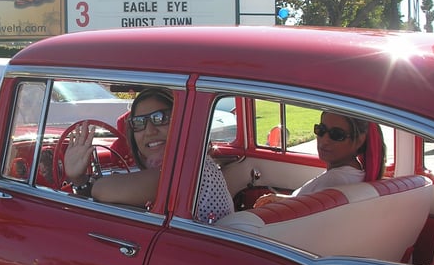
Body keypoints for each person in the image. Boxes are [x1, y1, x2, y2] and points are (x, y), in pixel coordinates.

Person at [63, 88, 234, 221]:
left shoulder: (187, 171)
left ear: (183, 121)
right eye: (139, 123)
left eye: (160, 118)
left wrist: (83, 180)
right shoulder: (190, 165)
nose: (150, 131)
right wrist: (78, 180)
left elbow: (103, 190)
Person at [255, 111, 386, 207]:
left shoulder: (334, 181)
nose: (324, 140)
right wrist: (282, 199)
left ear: (359, 141)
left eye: (336, 135)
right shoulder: (354, 175)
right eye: (321, 130)